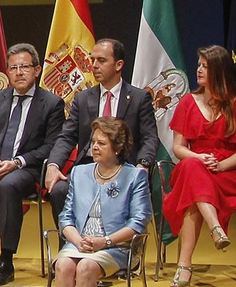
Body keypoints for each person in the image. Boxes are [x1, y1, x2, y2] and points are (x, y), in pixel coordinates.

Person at [49, 117, 152, 287]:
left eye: (101, 143)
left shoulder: (135, 176)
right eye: (93, 142)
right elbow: (66, 217)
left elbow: (139, 222)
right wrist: (77, 239)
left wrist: (104, 241)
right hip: (80, 242)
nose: (94, 147)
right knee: (63, 265)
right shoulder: (79, 172)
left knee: (85, 268)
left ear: (118, 147)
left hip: (116, 246)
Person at [164, 45, 236, 287]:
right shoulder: (188, 102)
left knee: (192, 190)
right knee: (190, 168)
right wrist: (199, 158)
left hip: (228, 173)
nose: (198, 70)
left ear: (220, 70)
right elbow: (178, 148)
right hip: (195, 165)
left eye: (205, 66)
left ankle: (184, 266)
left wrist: (220, 165)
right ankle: (216, 227)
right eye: (199, 64)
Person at [0, 42, 65, 286]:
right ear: (7, 72)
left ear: (37, 70)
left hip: (26, 170)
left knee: (9, 185)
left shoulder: (51, 103)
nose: (19, 72)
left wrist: (17, 162)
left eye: (24, 67)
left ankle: (6, 260)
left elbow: (51, 145)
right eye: (13, 68)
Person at [45, 38, 160, 222]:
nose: (94, 65)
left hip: (124, 167)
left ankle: (114, 239)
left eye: (101, 60)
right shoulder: (83, 99)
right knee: (59, 190)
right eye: (92, 60)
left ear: (119, 65)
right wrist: (53, 165)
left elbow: (150, 137)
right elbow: (66, 136)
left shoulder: (139, 98)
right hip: (87, 167)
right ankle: (69, 239)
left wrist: (143, 164)